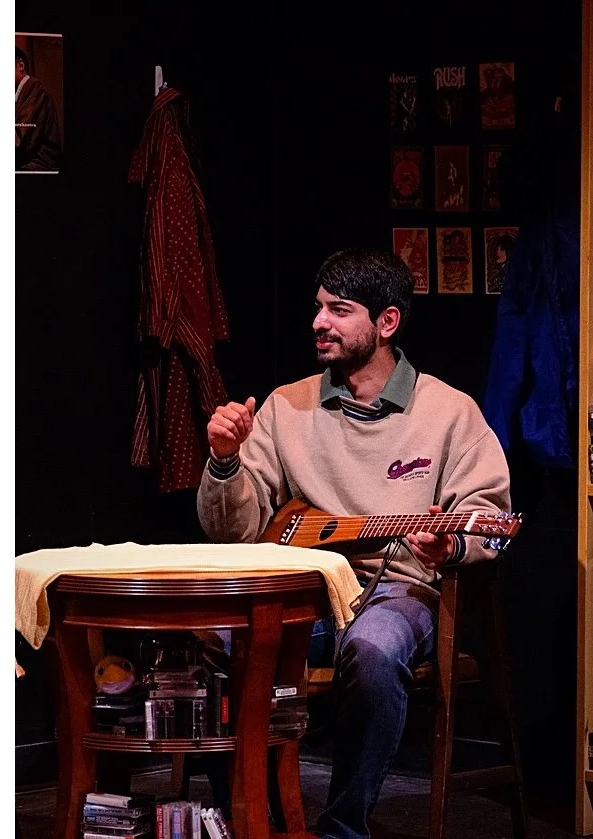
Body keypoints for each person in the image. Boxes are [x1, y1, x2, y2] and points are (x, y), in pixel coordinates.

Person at [196, 247, 511, 839]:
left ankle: (343, 828)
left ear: (386, 323)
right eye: (318, 308)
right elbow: (233, 530)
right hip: (302, 591)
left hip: (398, 589)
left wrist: (451, 549)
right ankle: (255, 821)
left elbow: (483, 514)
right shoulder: (286, 406)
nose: (319, 323)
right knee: (216, 642)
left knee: (371, 650)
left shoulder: (448, 412)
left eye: (339, 310)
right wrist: (223, 461)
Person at [15, 46, 62, 171]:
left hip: (38, 169)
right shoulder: (22, 93)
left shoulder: (34, 90)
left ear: (20, 65)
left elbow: (19, 141)